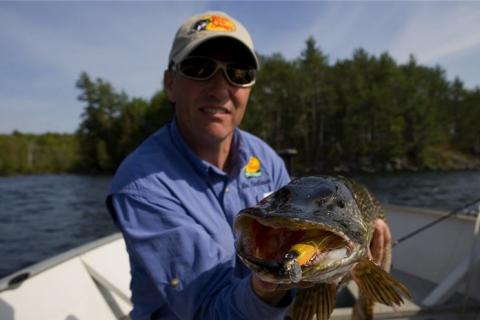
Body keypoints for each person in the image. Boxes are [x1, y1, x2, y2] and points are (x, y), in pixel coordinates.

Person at [107, 11, 392, 320]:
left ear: (249, 88)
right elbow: (206, 310)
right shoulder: (142, 186)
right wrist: (268, 286)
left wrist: (341, 266)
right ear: (170, 83)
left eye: (238, 73)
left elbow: (304, 254)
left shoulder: (265, 158)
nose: (219, 88)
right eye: (199, 68)